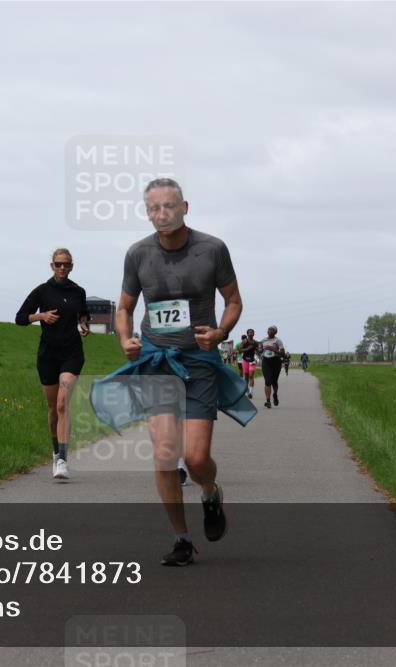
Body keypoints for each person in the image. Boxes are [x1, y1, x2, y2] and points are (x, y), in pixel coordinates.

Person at [112, 177, 249, 566]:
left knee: (196, 457)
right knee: (165, 454)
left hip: (198, 361)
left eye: (169, 206)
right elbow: (124, 307)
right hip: (156, 360)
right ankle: (182, 539)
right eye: (154, 208)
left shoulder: (213, 249)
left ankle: (209, 493)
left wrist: (221, 331)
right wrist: (125, 339)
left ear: (185, 208)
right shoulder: (137, 254)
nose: (162, 214)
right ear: (147, 212)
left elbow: (234, 301)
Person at [15, 249, 90, 480]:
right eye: (58, 264)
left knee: (61, 405)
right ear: (51, 265)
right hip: (47, 355)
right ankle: (56, 451)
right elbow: (20, 318)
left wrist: (84, 324)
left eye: (66, 265)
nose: (62, 268)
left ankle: (63, 461)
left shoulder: (78, 291)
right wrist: (41, 316)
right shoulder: (41, 291)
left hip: (72, 353)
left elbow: (83, 314)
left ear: (71, 266)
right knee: (52, 409)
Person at [259, 325, 287, 408]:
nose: (269, 331)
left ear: (275, 332)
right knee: (267, 381)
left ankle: (275, 394)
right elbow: (259, 350)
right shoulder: (263, 340)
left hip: (275, 361)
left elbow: (283, 353)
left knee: (274, 381)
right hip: (266, 361)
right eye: (268, 330)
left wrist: (273, 349)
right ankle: (268, 401)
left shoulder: (278, 341)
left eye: (271, 330)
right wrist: (260, 349)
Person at [239, 329, 260, 398]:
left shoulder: (255, 342)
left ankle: (251, 392)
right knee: (246, 376)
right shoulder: (244, 341)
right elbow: (240, 350)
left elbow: (258, 350)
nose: (251, 333)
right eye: (249, 332)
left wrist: (260, 349)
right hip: (245, 360)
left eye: (252, 332)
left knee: (251, 376)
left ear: (254, 334)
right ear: (247, 334)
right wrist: (246, 347)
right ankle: (246, 390)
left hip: (252, 361)